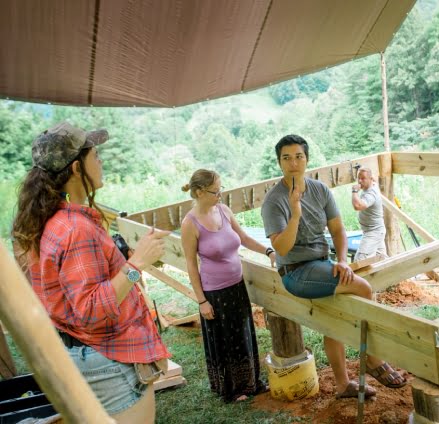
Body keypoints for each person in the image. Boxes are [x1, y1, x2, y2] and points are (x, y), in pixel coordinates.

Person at [12, 122, 171, 423]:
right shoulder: (76, 229)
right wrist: (137, 264)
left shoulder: (51, 219)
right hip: (109, 361)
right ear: (75, 168)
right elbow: (90, 309)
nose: (101, 162)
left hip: (85, 352)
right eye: (96, 155)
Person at [261, 134, 407, 399]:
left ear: (306, 159)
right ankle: (372, 359)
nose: (293, 163)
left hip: (323, 263)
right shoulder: (274, 200)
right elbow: (281, 249)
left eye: (299, 156)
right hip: (295, 271)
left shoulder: (320, 190)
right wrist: (295, 213)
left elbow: (338, 229)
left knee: (334, 320)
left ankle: (343, 385)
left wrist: (341, 260)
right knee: (363, 288)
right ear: (279, 162)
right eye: (287, 158)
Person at [180, 169, 272, 403]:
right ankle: (232, 389)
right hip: (214, 292)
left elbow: (244, 238)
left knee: (243, 334)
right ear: (199, 192)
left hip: (236, 285)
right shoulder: (190, 223)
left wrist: (268, 250)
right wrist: (201, 300)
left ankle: (251, 382)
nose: (221, 194)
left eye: (221, 188)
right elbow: (191, 264)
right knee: (226, 340)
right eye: (215, 191)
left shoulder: (223, 210)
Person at [351, 167, 388, 262]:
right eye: (358, 178)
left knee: (360, 261)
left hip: (373, 232)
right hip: (376, 230)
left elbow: (357, 206)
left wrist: (355, 191)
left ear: (370, 179)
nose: (359, 181)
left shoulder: (371, 194)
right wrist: (361, 169)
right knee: (382, 261)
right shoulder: (373, 184)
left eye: (363, 178)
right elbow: (372, 177)